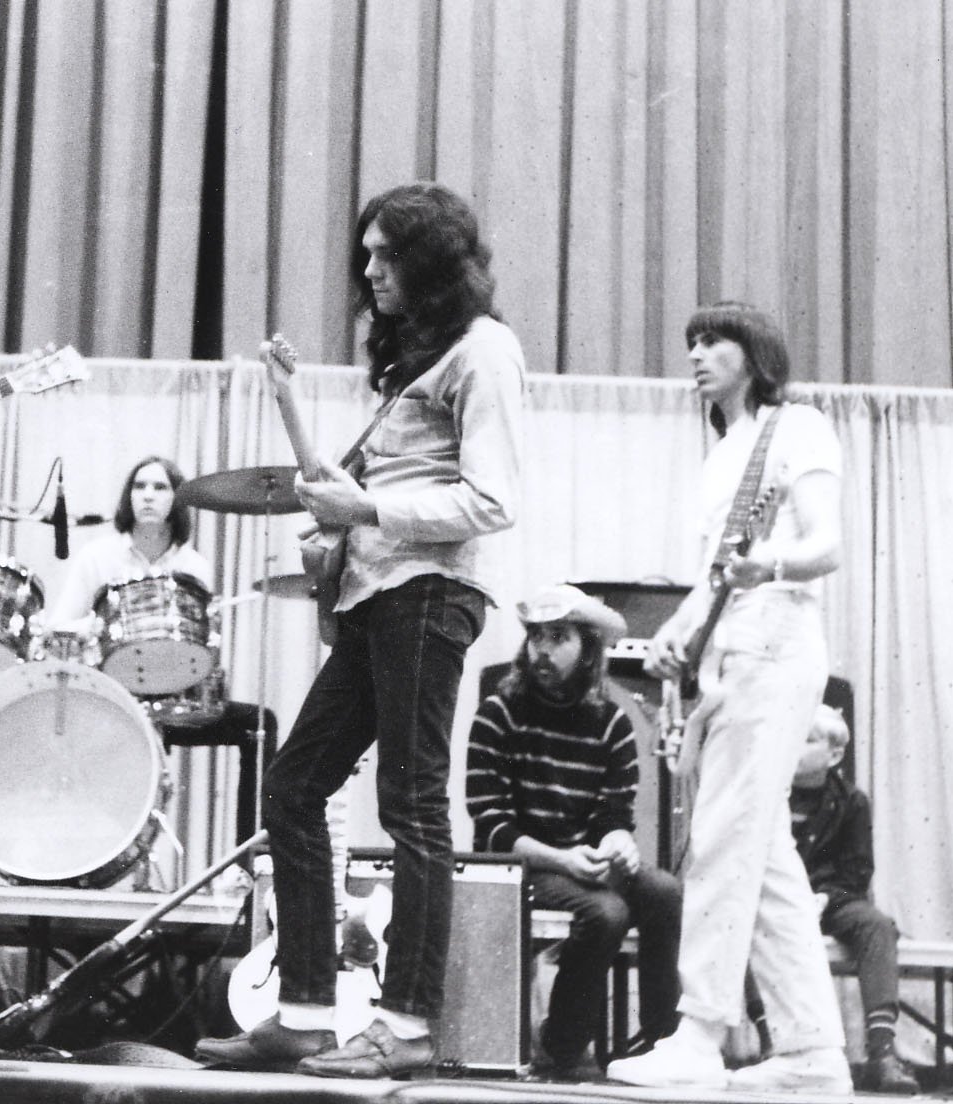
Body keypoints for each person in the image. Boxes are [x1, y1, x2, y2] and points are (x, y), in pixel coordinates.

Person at [195, 182, 525, 1078]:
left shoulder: (484, 351)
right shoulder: (415, 365)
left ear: (429, 261)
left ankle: (409, 1026)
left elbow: (493, 500)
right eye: (366, 254)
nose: (368, 271)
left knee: (412, 802)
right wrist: (325, 485)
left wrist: (366, 505)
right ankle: (304, 1010)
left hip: (432, 590)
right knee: (297, 788)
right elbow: (369, 496)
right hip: (382, 591)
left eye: (385, 255)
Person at [606, 302, 850, 1093]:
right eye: (691, 344)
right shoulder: (723, 457)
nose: (697, 355)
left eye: (713, 341)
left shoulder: (796, 427)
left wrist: (768, 565)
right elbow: (716, 577)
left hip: (777, 650)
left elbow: (826, 545)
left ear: (755, 351)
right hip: (729, 656)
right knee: (763, 855)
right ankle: (813, 1055)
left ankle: (701, 1033)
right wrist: (679, 629)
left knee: (719, 842)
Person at [465, 583, 682, 1080]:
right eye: (536, 637)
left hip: (582, 860)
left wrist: (617, 843)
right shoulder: (499, 714)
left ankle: (660, 1040)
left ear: (588, 650)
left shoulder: (611, 723)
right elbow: (491, 823)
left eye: (558, 637)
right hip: (520, 865)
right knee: (606, 912)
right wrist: (562, 859)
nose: (542, 649)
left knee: (664, 891)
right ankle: (561, 1047)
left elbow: (613, 814)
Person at [51, 456, 276, 851]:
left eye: (160, 487)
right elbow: (59, 625)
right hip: (115, 701)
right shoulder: (98, 557)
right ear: (128, 497)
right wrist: (99, 629)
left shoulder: (194, 566)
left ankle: (245, 862)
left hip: (175, 701)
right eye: (139, 486)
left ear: (177, 500)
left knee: (260, 724)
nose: (148, 495)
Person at [788, 704, 919, 1094]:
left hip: (832, 902)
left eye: (807, 740)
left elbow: (857, 873)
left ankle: (881, 1054)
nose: (794, 746)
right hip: (778, 901)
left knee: (877, 925)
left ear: (834, 754)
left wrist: (826, 899)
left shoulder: (853, 802)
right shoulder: (768, 792)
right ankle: (773, 1047)